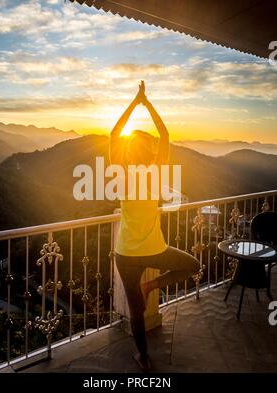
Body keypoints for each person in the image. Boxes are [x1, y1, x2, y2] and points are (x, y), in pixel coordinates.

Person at [110, 81, 200, 371]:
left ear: (128, 152)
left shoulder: (120, 173)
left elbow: (114, 134)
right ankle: (154, 284)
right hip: (154, 250)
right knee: (192, 265)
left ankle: (143, 357)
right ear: (149, 153)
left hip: (125, 255)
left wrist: (134, 101)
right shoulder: (155, 171)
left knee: (136, 310)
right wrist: (146, 103)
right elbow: (165, 133)